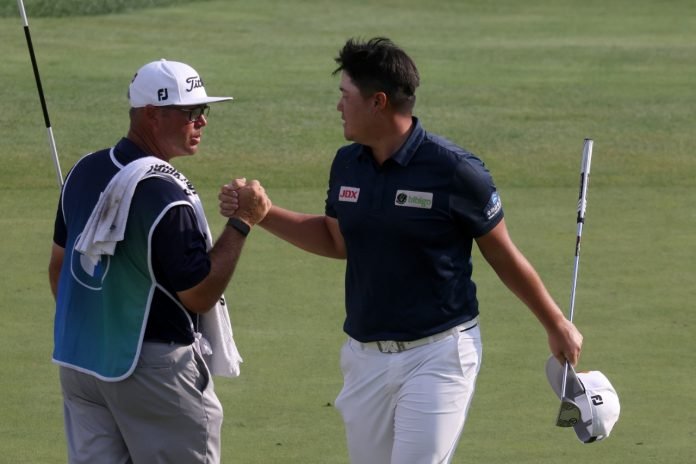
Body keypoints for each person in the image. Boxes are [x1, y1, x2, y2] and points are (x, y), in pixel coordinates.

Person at [220, 37, 583, 464]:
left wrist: (555, 321)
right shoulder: (347, 164)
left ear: (377, 102)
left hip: (440, 354)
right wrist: (263, 214)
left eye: (345, 96)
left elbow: (502, 254)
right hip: (364, 358)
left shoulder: (455, 170)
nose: (339, 106)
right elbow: (338, 240)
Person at [48, 59, 270, 464]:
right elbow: (199, 294)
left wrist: (101, 330)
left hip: (80, 363)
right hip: (152, 373)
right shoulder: (167, 197)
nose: (201, 121)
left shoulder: (82, 171)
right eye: (190, 112)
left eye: (204, 111)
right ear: (151, 114)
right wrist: (242, 222)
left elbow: (60, 272)